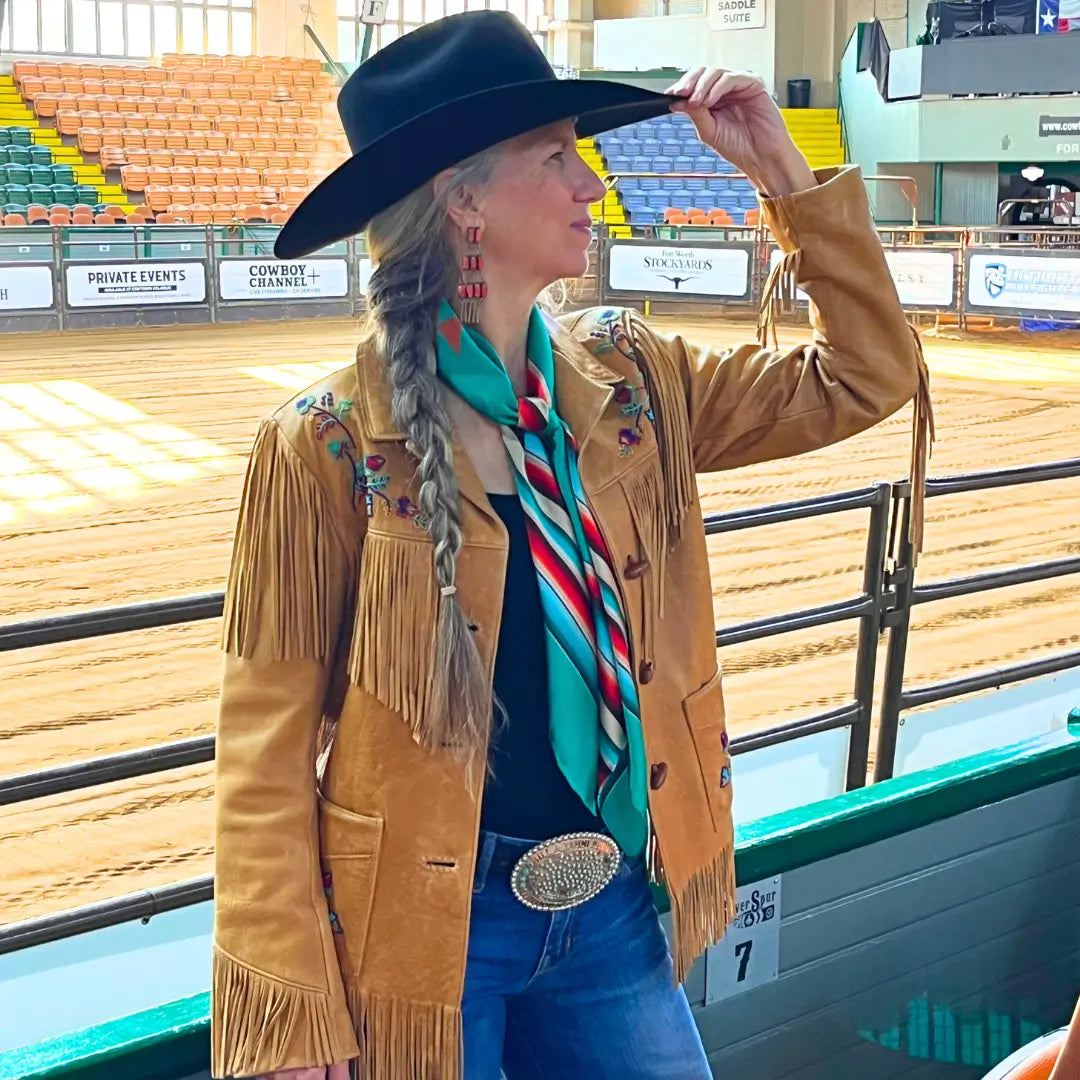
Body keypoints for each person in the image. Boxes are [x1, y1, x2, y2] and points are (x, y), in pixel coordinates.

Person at [211, 11, 934, 1080]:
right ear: (464, 199)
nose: (590, 183)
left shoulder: (631, 382)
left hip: (612, 906)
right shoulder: (324, 445)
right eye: (557, 155)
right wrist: (291, 1005)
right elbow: (262, 752)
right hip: (421, 930)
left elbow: (866, 375)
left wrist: (787, 174)